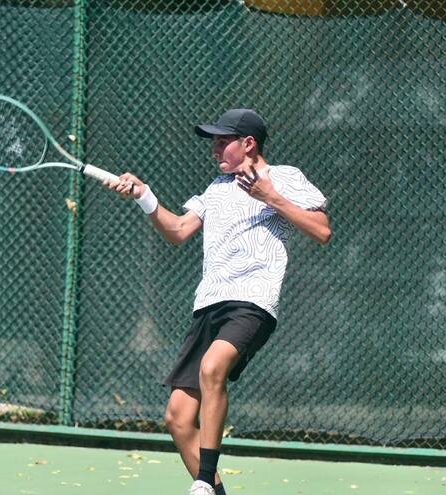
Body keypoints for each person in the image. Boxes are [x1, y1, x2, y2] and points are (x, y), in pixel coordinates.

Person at [108, 108, 331, 495]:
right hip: (208, 305)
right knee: (178, 419)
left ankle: (202, 481)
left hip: (252, 302)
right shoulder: (216, 189)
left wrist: (271, 196)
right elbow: (177, 231)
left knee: (213, 368)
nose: (214, 149)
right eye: (212, 141)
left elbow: (322, 230)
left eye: (221, 141)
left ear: (248, 144)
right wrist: (145, 196)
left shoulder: (285, 177)